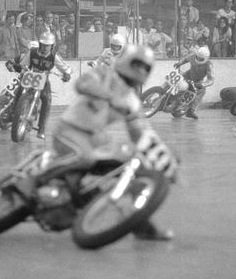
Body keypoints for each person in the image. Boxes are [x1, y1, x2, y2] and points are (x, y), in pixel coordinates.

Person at [48, 44, 176, 241]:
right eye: (138, 64)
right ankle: (33, 180)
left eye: (146, 68)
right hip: (69, 130)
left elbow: (139, 133)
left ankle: (139, 224)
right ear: (126, 60)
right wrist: (110, 96)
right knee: (85, 157)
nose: (141, 70)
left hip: (94, 138)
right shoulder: (104, 74)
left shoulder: (132, 101)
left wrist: (163, 156)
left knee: (130, 170)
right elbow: (82, 84)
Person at [9, 32, 72, 139]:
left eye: (47, 45)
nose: (45, 47)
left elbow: (66, 68)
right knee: (19, 89)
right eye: (43, 44)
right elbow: (23, 64)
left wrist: (67, 74)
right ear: (40, 44)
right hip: (30, 75)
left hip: (44, 78)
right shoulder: (32, 52)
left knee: (47, 99)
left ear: (52, 46)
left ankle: (41, 128)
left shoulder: (54, 56)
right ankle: (14, 112)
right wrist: (18, 67)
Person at [171, 45, 215, 119]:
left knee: (202, 91)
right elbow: (185, 59)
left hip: (197, 81)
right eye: (198, 57)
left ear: (206, 58)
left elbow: (211, 79)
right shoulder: (193, 56)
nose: (198, 59)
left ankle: (191, 111)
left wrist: (203, 84)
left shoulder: (209, 65)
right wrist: (179, 63)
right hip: (187, 75)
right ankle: (163, 92)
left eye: (201, 58)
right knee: (174, 79)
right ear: (196, 55)